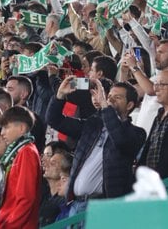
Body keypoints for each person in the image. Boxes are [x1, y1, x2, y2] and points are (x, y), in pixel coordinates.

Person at [47, 78, 146, 215]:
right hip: (76, 204)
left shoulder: (137, 133)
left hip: (102, 207)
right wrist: (60, 96)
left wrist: (105, 106)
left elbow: (120, 140)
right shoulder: (92, 125)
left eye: (117, 97)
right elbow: (55, 120)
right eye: (109, 96)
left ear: (129, 105)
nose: (110, 100)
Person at [0, 106, 41, 229]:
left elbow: (26, 198)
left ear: (21, 128)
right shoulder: (15, 153)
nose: (2, 132)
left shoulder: (27, 152)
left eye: (6, 127)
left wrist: (10, 225)